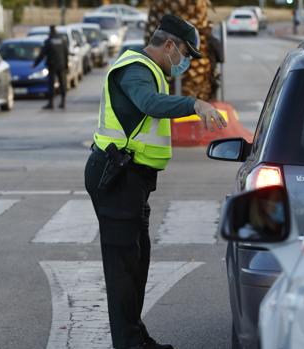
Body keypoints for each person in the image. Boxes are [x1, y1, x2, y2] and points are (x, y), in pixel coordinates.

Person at [84, 14, 227, 349]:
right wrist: (194, 103)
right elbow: (149, 104)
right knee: (123, 270)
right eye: (186, 54)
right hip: (117, 176)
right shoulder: (136, 70)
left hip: (133, 179)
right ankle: (129, 344)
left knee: (136, 264)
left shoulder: (149, 72)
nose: (187, 63)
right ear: (169, 45)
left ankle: (136, 337)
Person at [33, 25, 68, 109]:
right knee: (62, 83)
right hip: (61, 65)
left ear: (50, 31)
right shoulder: (62, 40)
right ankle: (63, 102)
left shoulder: (48, 41)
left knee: (51, 84)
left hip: (52, 66)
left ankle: (51, 103)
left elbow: (42, 54)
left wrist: (35, 64)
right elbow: (66, 53)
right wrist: (66, 65)